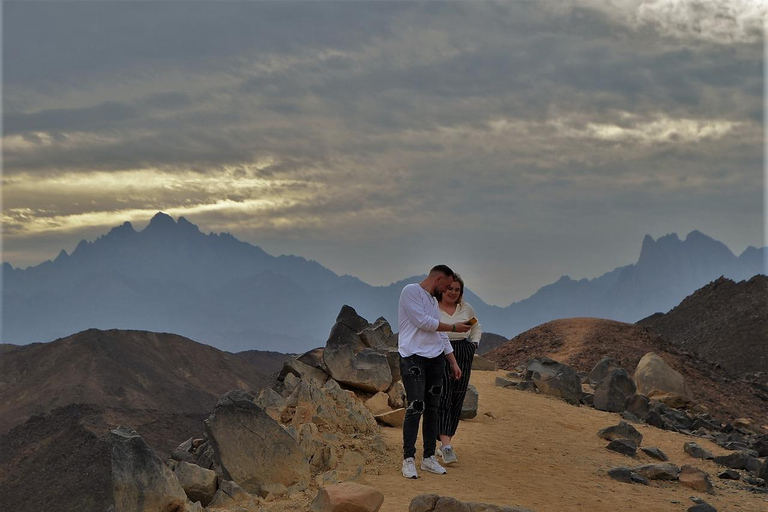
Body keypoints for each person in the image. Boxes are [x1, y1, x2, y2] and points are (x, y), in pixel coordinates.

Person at [398, 265, 471, 479]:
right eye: (447, 285)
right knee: (415, 407)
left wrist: (453, 361)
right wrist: (454, 327)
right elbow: (424, 323)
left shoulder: (431, 301)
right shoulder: (410, 292)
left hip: (435, 359)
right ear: (438, 279)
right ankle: (408, 459)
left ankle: (429, 457)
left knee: (433, 409)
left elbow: (438, 333)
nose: (448, 290)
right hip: (413, 357)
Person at [436, 273, 482, 465]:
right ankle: (445, 446)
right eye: (450, 288)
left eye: (457, 290)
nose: (453, 293)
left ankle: (445, 443)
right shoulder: (433, 307)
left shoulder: (466, 308)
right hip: (440, 352)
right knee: (443, 396)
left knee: (457, 396)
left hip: (463, 353)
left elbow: (476, 326)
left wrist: (474, 345)